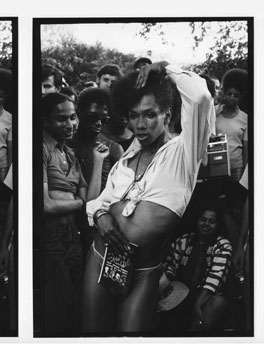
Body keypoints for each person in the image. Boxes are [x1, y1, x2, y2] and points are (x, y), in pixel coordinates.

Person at [81, 62, 214, 333]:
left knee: (133, 338)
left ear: (167, 114)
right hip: (100, 258)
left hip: (144, 269)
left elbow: (200, 96)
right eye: (133, 115)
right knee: (94, 337)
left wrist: (165, 68)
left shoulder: (185, 152)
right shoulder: (127, 156)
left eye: (150, 114)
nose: (140, 125)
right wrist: (101, 215)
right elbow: (100, 201)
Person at [39, 92, 98, 334]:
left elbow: (91, 200)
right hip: (50, 239)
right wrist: (78, 202)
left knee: (74, 305)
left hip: (72, 237)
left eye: (73, 118)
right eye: (61, 119)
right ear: (45, 121)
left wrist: (99, 161)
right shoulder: (41, 150)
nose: (70, 124)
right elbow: (46, 206)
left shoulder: (69, 153)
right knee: (55, 310)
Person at [163, 207, 233, 331]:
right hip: (180, 293)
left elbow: (215, 278)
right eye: (203, 220)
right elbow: (171, 268)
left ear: (218, 225)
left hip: (204, 297)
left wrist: (198, 305)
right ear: (197, 220)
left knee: (219, 302)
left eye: (211, 222)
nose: (206, 224)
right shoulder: (183, 241)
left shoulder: (222, 245)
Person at [218, 68, 250, 181]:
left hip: (237, 167)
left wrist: (245, 174)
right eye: (229, 94)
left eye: (236, 95)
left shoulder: (245, 118)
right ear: (224, 94)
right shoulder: (214, 114)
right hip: (217, 166)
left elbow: (246, 148)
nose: (231, 97)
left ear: (240, 97)